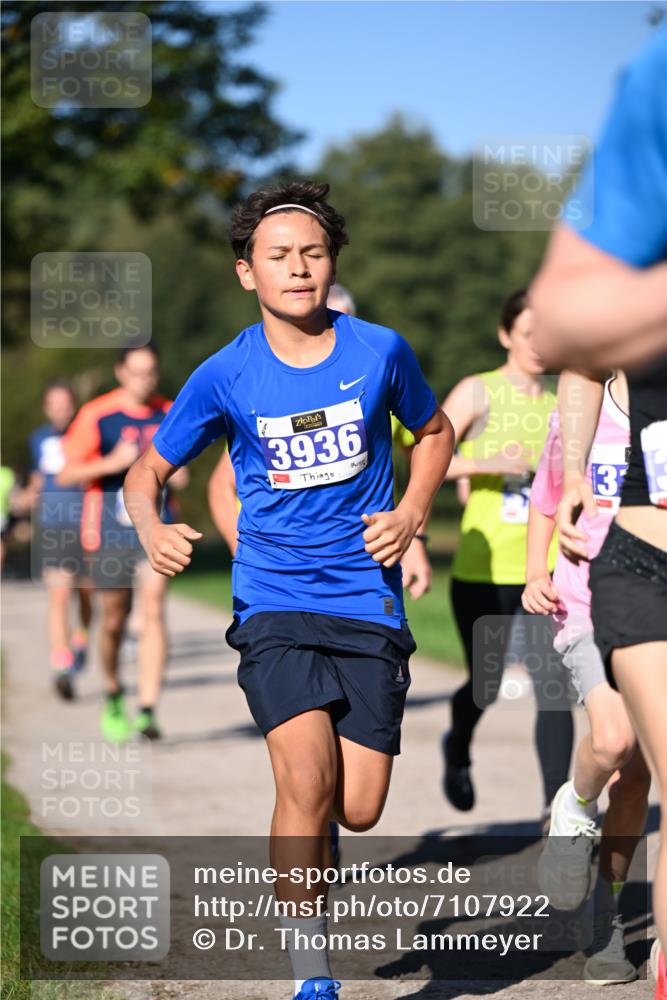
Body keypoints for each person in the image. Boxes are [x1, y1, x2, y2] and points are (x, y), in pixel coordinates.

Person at [124, 181, 454, 1000]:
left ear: (331, 263)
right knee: (302, 780)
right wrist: (152, 528)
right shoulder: (224, 373)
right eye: (278, 256)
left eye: (312, 253)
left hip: (364, 599)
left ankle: (326, 841)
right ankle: (312, 972)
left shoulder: (379, 351)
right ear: (248, 273)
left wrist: (413, 510)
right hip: (271, 598)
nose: (298, 268)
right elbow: (149, 469)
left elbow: (435, 432)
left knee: (363, 806)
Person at [532, 27, 667, 999]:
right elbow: (572, 332)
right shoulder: (656, 91)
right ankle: (631, 934)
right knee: (625, 752)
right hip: (630, 555)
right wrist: (571, 470)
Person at [523, 369, 650, 984]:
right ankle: (573, 806)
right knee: (613, 739)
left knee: (635, 782)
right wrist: (532, 573)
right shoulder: (580, 411)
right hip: (584, 602)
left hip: (654, 607)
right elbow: (546, 499)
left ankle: (607, 925)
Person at [440, 289, 573, 825]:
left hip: (548, 566)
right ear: (505, 335)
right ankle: (458, 745)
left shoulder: (567, 399)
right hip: (483, 564)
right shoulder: (479, 391)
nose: (537, 347)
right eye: (526, 335)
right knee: (486, 683)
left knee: (553, 682)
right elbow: (427, 458)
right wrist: (488, 461)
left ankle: (556, 808)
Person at [208, 282, 433, 597]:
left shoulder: (382, 398)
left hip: (363, 565)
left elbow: (428, 456)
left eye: (339, 323)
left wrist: (414, 537)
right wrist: (249, 559)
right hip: (276, 568)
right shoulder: (273, 406)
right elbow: (221, 485)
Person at [58, 344, 188, 742]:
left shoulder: (170, 411)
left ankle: (148, 708)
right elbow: (66, 474)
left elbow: (181, 469)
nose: (144, 380)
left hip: (158, 524)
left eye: (150, 372)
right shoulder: (97, 414)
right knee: (113, 618)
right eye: (136, 372)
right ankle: (113, 690)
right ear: (120, 372)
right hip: (108, 528)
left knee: (153, 608)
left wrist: (178, 475)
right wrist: (113, 463)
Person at [27, 380, 93, 699]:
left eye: (65, 403)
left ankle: (80, 637)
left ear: (74, 404)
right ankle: (62, 664)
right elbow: (38, 479)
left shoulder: (88, 433)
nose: (60, 409)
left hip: (88, 523)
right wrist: (28, 495)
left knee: (86, 594)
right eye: (54, 404)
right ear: (45, 407)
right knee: (59, 594)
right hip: (53, 526)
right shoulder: (37, 439)